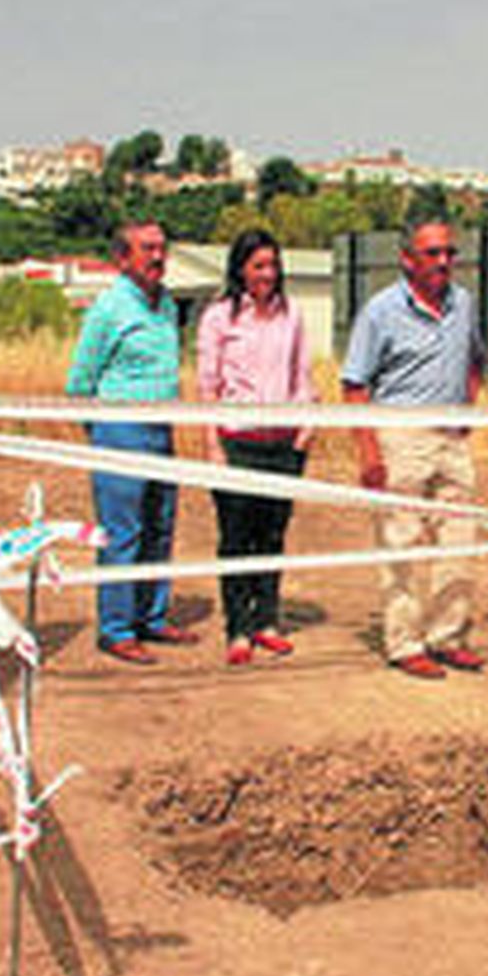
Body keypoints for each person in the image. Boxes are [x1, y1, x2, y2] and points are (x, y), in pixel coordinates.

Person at [341, 219, 485, 680]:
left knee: (458, 541)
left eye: (449, 252)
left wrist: (467, 411)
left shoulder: (464, 304)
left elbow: (475, 360)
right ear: (407, 259)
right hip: (399, 436)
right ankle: (404, 644)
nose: (444, 262)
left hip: (451, 438)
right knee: (399, 544)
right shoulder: (380, 311)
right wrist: (369, 454)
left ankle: (448, 635)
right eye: (432, 253)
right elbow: (355, 385)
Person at [66, 221, 199, 664]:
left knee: (160, 527)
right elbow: (80, 382)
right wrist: (101, 434)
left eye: (162, 248)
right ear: (123, 258)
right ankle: (117, 628)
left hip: (162, 430)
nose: (158, 257)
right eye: (147, 249)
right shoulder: (108, 308)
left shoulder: (164, 306)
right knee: (123, 533)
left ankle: (152, 618)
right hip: (120, 431)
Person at [196, 230, 315, 667]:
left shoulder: (293, 314)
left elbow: (302, 374)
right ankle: (237, 627)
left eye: (273, 264)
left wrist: (305, 432)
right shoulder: (218, 317)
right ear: (241, 269)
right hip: (236, 442)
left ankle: (266, 620)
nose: (268, 273)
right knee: (235, 539)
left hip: (282, 445)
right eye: (258, 265)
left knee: (271, 535)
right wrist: (213, 445)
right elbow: (207, 386)